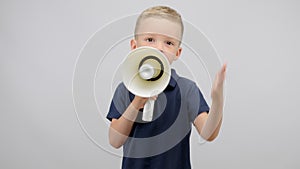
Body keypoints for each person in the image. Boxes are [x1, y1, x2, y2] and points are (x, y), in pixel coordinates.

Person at [106, 5, 227, 169]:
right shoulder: (124, 89)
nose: (159, 48)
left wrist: (218, 100)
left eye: (169, 42)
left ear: (177, 52)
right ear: (135, 46)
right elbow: (115, 140)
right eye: (150, 39)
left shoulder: (186, 89)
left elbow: (209, 133)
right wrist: (136, 103)